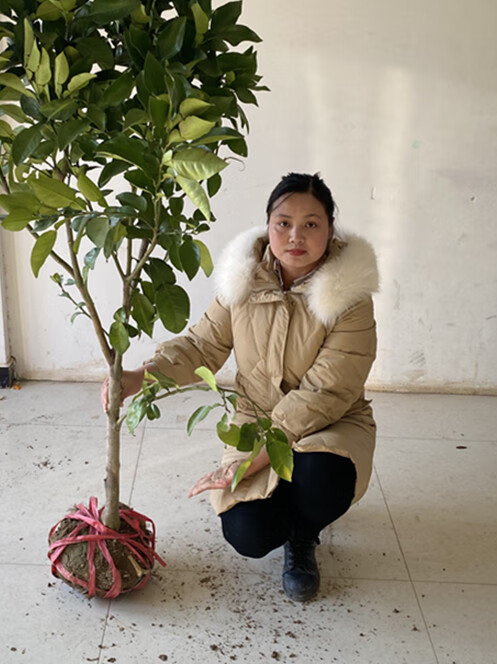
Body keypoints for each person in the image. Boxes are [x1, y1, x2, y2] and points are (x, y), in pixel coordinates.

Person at [100, 172, 379, 601]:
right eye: (283, 222)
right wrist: (144, 376)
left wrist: (254, 462)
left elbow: (326, 394)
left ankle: (303, 536)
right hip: (256, 421)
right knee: (248, 534)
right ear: (268, 225)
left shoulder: (350, 297)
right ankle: (286, 512)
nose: (295, 236)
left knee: (323, 476)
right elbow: (202, 345)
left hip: (330, 424)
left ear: (330, 228)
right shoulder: (243, 279)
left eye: (311, 224)